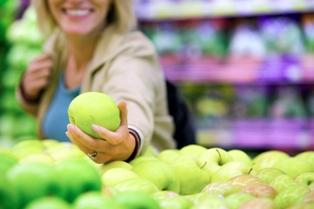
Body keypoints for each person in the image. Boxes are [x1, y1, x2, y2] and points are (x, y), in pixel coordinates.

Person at [17, 0, 177, 164]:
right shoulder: (57, 45)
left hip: (130, 185)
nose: (75, 1)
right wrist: (29, 94)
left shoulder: (133, 52)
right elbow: (57, 113)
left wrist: (128, 138)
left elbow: (131, 98)